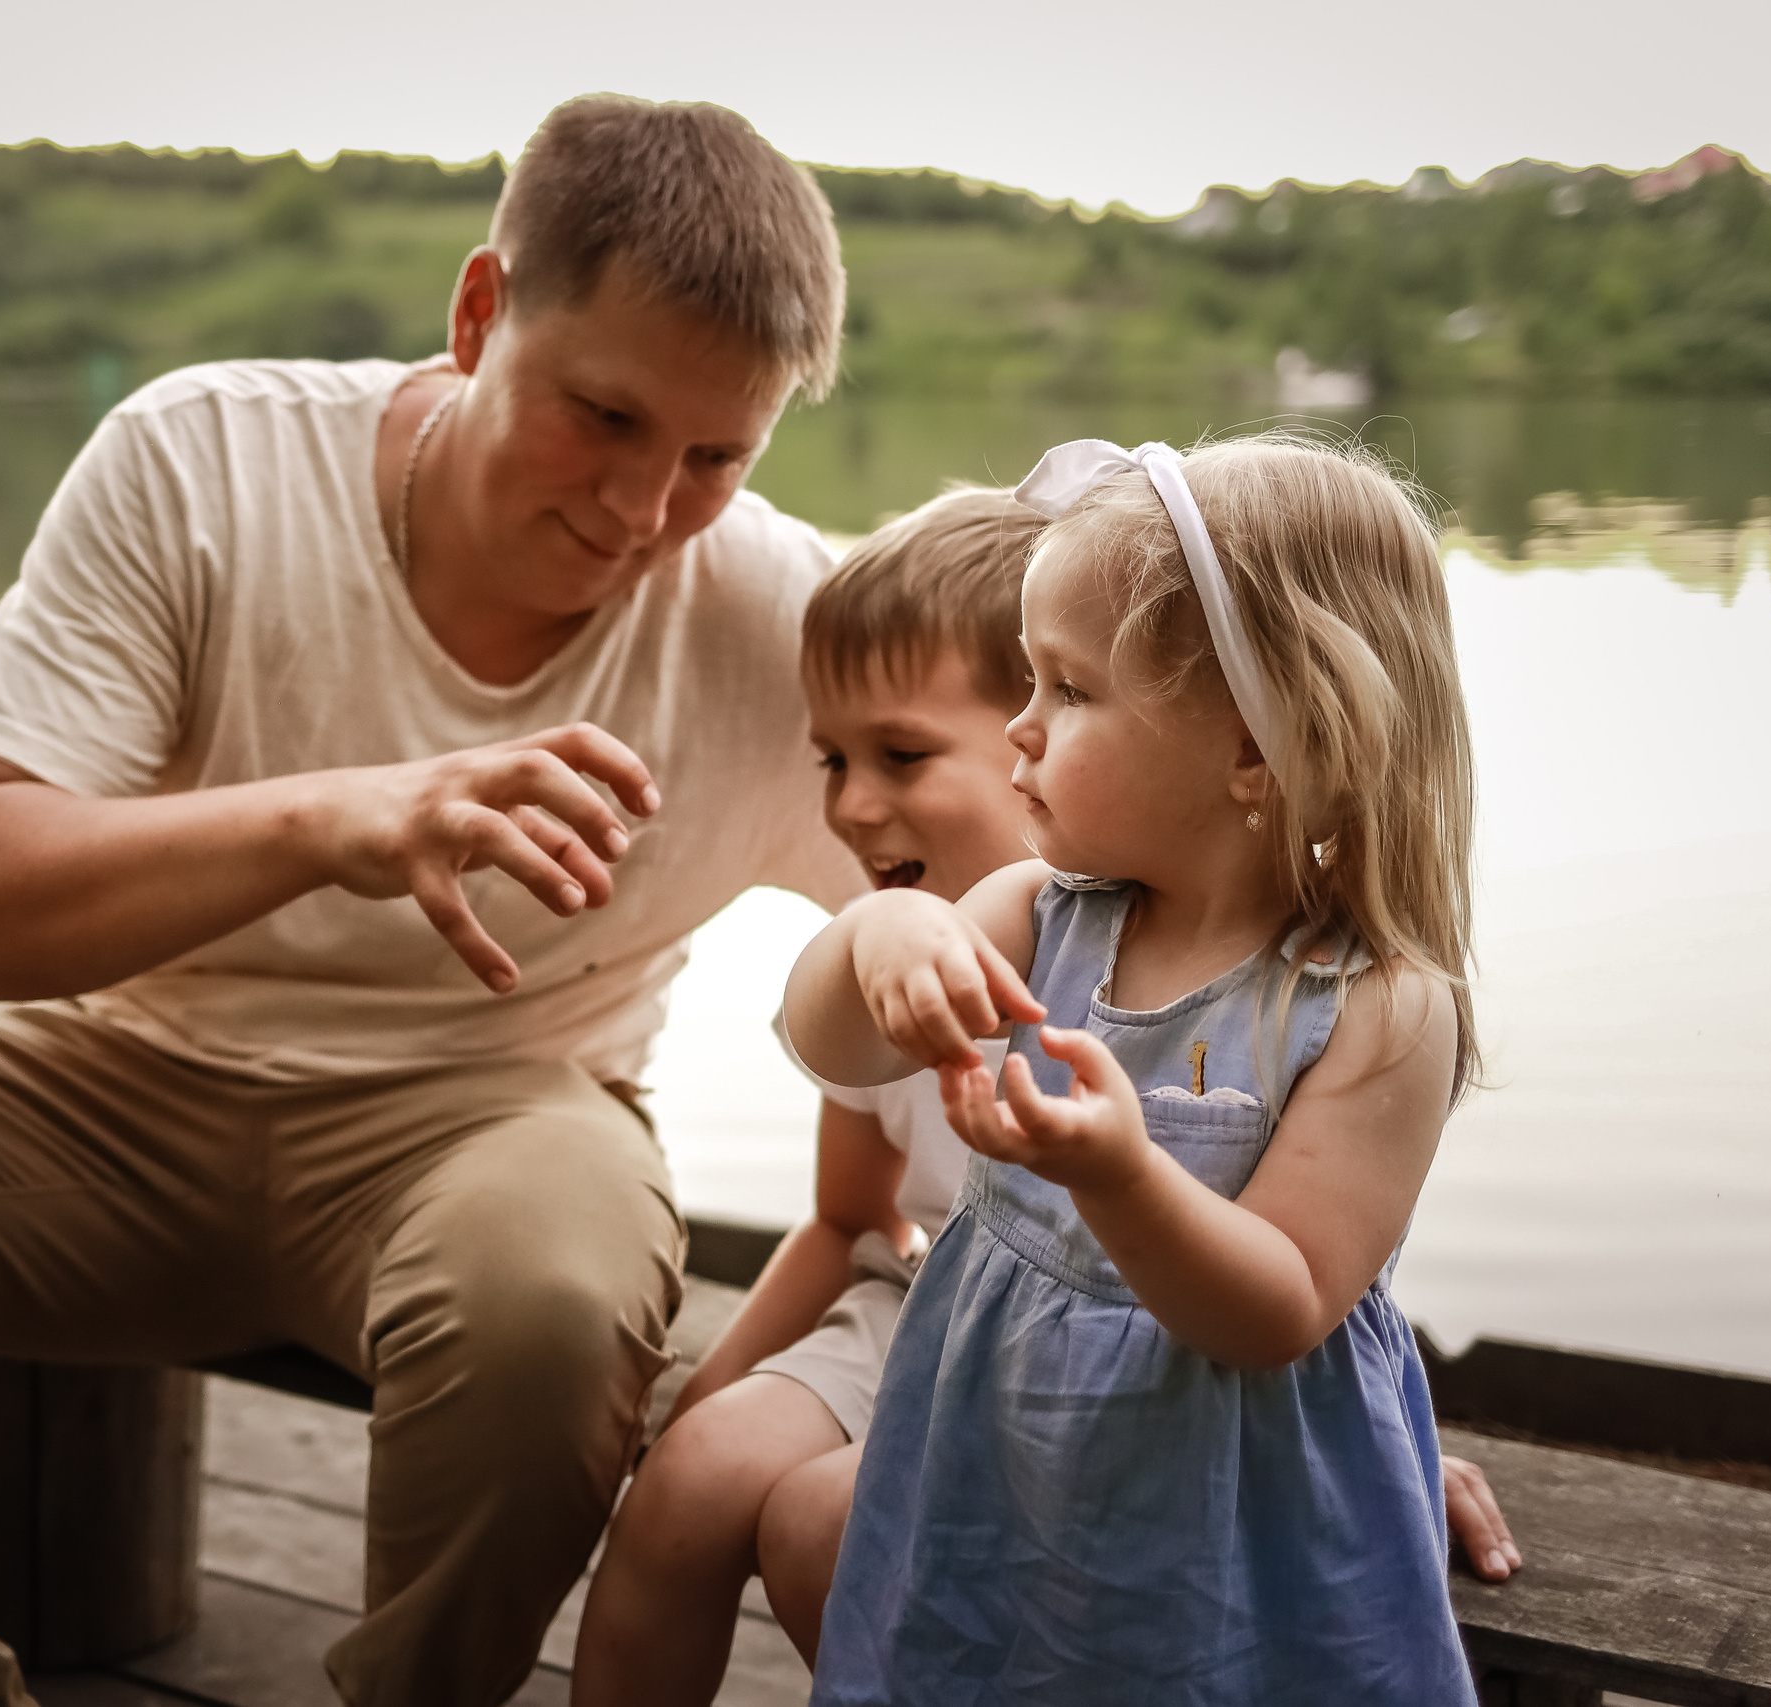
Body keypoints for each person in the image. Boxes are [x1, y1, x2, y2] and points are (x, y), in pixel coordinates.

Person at [0, 96, 863, 1707]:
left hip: (496, 1118)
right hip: (110, 1090)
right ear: (480, 313)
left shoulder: (778, 612)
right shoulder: (203, 455)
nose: (642, 509)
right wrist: (336, 817)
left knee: (556, 1300)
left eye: (715, 456)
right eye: (604, 417)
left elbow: (1008, 882)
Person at [576, 484, 1518, 1703]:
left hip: (1215, 1493)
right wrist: (884, 937)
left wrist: (1118, 1176)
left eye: (1066, 693)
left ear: (1251, 747)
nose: (1022, 730)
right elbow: (838, 1051)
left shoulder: (1378, 1008)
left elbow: (1279, 1305)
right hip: (996, 1448)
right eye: (1025, 686)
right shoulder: (1037, 916)